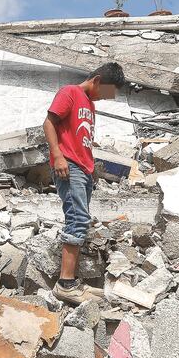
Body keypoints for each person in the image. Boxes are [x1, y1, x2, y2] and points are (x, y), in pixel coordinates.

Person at [43, 62, 126, 304]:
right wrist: (58, 156)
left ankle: (71, 280)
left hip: (84, 168)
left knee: (81, 218)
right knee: (77, 219)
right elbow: (49, 123)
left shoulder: (89, 104)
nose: (105, 98)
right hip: (69, 165)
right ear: (97, 80)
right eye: (106, 92)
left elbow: (81, 135)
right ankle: (65, 284)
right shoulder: (70, 92)